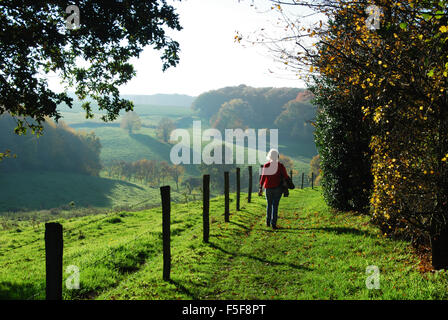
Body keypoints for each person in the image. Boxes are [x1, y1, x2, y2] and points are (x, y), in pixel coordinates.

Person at [258, 149, 289, 229]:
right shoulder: (281, 166)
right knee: (275, 206)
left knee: (269, 204)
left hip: (268, 188)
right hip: (278, 188)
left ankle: (268, 222)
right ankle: (274, 224)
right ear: (277, 156)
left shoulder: (266, 165)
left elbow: (263, 178)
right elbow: (286, 176)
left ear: (270, 156)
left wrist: (260, 188)